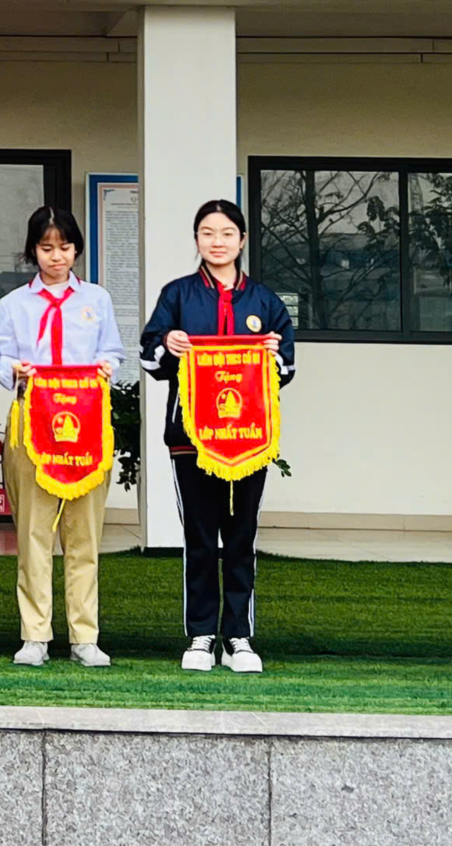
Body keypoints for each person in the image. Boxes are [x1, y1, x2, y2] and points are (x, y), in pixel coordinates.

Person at [139, 200, 295, 676]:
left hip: (249, 437)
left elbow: (287, 367)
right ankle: (201, 634)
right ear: (197, 240)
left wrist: (272, 355)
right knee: (201, 537)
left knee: (242, 536)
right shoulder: (178, 295)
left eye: (227, 233)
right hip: (191, 438)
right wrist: (168, 345)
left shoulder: (264, 301)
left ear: (242, 240)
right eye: (207, 233)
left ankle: (239, 636)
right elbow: (148, 357)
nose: (217, 241)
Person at [0, 205, 124, 670]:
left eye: (65, 247)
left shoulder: (97, 300)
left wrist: (107, 366)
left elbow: (113, 351)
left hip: (85, 425)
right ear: (33, 250)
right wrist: (13, 369)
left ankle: (85, 635)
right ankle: (35, 635)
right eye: (46, 247)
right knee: (33, 533)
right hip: (31, 424)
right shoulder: (13, 305)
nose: (56, 256)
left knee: (84, 534)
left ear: (76, 250)